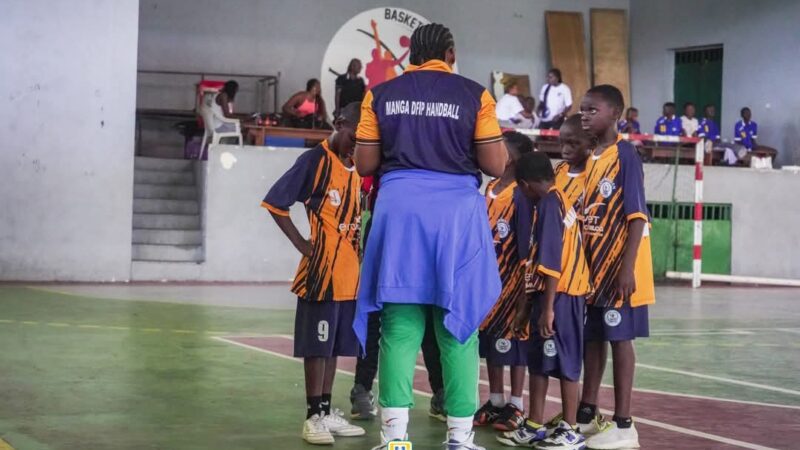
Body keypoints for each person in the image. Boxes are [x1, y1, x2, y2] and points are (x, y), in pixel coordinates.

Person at [354, 23, 508, 450]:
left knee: (399, 329)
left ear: (411, 55)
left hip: (399, 212)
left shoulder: (380, 95)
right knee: (458, 329)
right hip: (455, 216)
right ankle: (459, 437)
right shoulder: (475, 94)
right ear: (451, 53)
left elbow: (365, 164)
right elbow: (496, 164)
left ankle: (395, 439)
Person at [261, 103, 366, 445]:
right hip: (321, 276)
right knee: (317, 347)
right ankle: (311, 417)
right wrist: (302, 244)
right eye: (353, 136)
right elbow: (276, 203)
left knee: (334, 347)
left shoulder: (356, 168)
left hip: (349, 278)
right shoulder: (314, 161)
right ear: (339, 124)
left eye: (363, 140)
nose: (356, 145)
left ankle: (324, 411)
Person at [496, 151, 592, 450]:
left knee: (565, 362)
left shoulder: (550, 203)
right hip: (550, 294)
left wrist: (548, 308)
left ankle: (571, 428)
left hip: (562, 295)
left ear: (525, 185)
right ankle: (535, 424)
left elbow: (551, 262)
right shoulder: (558, 199)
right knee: (540, 359)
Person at [578, 85, 655, 450]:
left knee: (619, 340)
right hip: (590, 273)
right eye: (582, 110)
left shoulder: (626, 155)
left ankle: (625, 424)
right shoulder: (591, 156)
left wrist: (626, 270)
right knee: (592, 340)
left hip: (618, 270)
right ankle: (587, 416)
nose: (584, 115)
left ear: (615, 115)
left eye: (592, 110)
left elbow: (637, 217)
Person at [473, 131, 534, 432]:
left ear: (513, 158)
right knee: (491, 342)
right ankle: (495, 400)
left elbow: (524, 245)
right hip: (487, 283)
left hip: (512, 284)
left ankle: (517, 403)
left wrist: (524, 290)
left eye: (501, 149)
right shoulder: (491, 187)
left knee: (515, 344)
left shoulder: (520, 195)